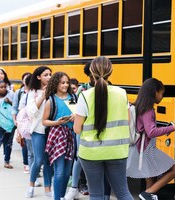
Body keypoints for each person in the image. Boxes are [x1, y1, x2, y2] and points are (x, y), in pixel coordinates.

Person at [74, 56, 133, 200]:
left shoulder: (85, 96)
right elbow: (127, 120)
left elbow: (76, 129)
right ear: (110, 72)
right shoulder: (121, 93)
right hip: (117, 151)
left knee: (96, 194)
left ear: (91, 73)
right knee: (123, 193)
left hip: (91, 153)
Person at [126, 78, 175, 200]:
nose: (162, 96)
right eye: (161, 93)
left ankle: (148, 194)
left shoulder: (138, 106)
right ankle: (147, 193)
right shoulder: (148, 110)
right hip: (147, 150)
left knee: (151, 179)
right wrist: (173, 128)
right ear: (154, 92)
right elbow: (151, 132)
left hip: (139, 149)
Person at [43, 72, 76, 200]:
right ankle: (57, 197)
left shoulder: (72, 98)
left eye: (67, 82)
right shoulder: (51, 100)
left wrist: (75, 117)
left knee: (67, 171)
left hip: (70, 135)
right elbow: (44, 121)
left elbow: (77, 115)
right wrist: (57, 122)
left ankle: (61, 196)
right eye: (62, 82)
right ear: (56, 84)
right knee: (60, 170)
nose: (65, 85)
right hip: (57, 136)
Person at [25, 66, 53, 198]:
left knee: (48, 161)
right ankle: (30, 185)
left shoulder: (54, 91)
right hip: (38, 130)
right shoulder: (33, 92)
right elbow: (31, 112)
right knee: (38, 160)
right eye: (46, 75)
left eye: (50, 74)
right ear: (38, 77)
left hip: (51, 130)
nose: (49, 77)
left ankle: (48, 189)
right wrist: (42, 96)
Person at [12, 72, 31, 174]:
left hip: (33, 122)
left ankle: (32, 164)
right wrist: (15, 121)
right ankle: (26, 164)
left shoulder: (35, 92)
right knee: (24, 144)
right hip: (23, 121)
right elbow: (15, 108)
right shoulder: (20, 93)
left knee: (32, 146)